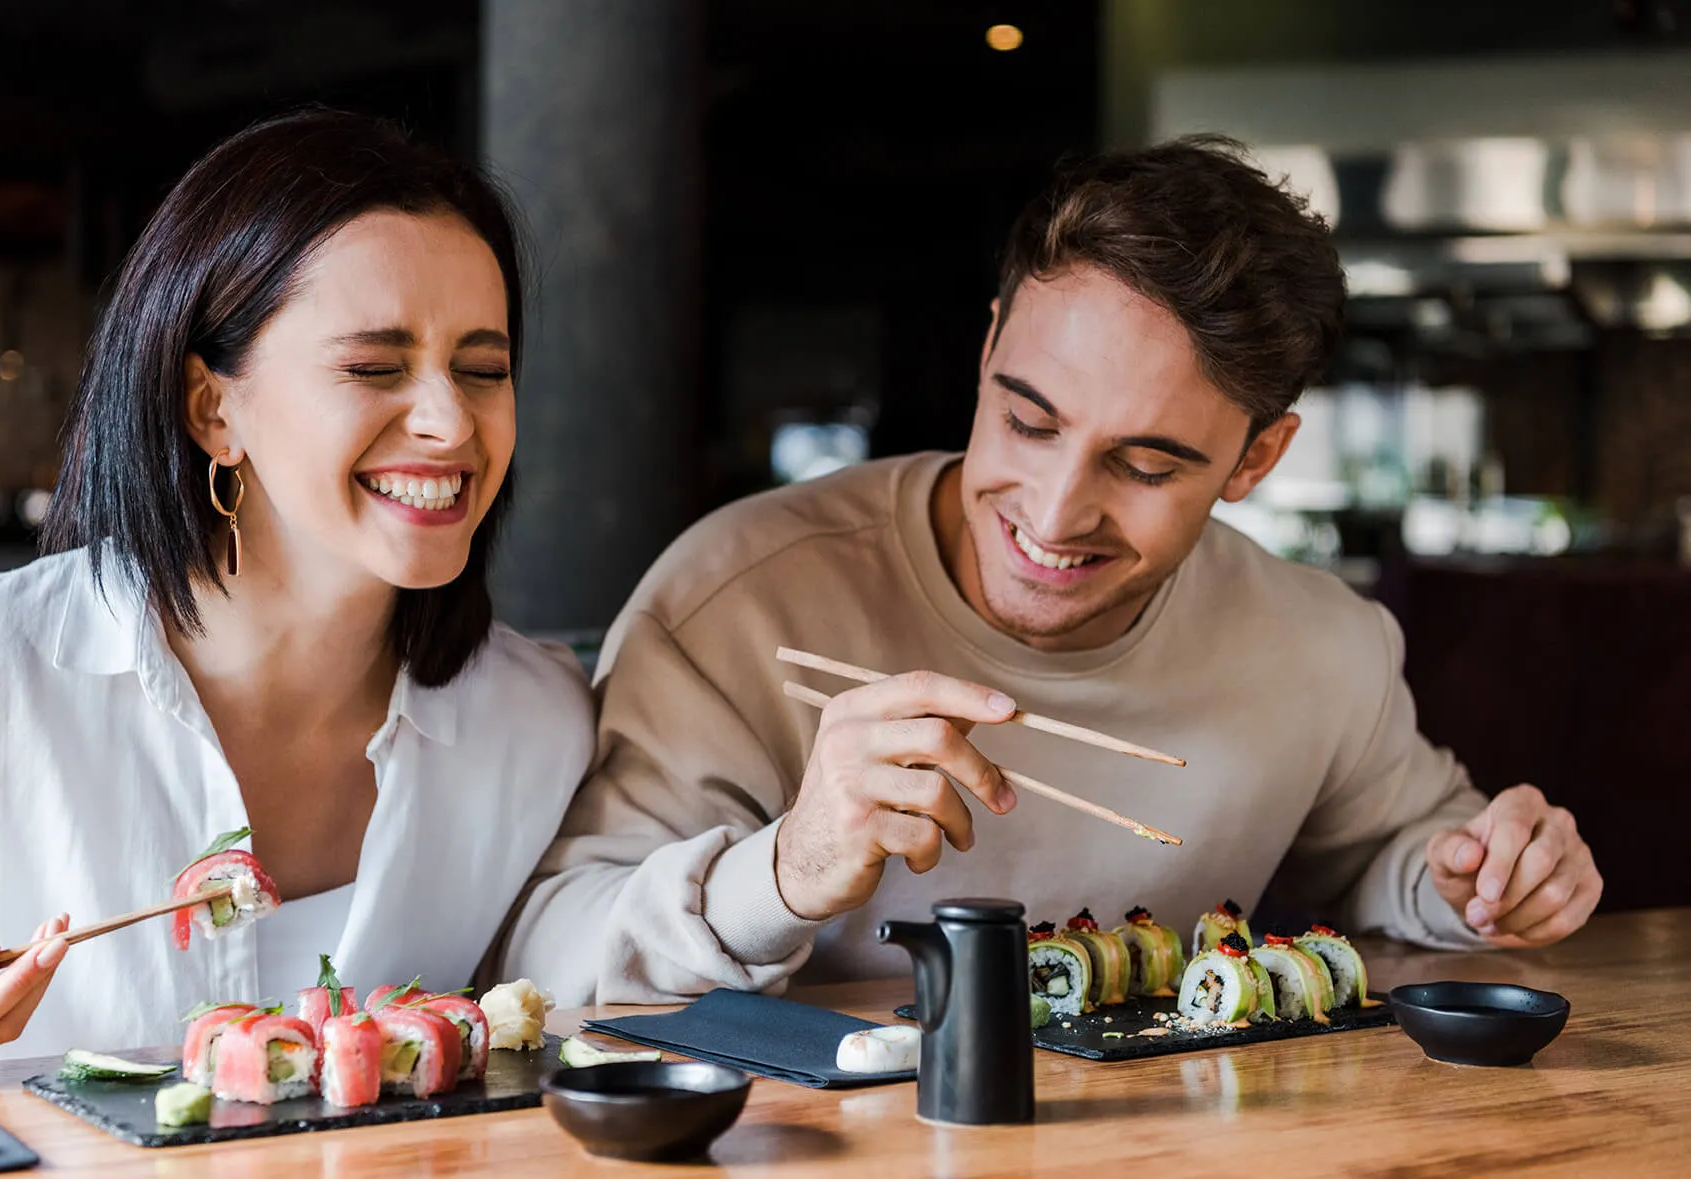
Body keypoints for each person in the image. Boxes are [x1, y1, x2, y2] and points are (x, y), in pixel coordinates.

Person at [509, 137, 1602, 1005]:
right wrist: (787, 869)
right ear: (987, 349)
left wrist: (1480, 879)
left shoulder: (1319, 643)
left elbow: (1385, 857)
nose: (1052, 510)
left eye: (1142, 464)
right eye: (1027, 421)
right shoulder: (736, 600)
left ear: (1255, 459)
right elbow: (547, 953)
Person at [0, 111, 594, 1060]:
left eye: (483, 369)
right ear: (212, 407)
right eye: (375, 365)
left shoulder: (537, 725)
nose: (451, 423)